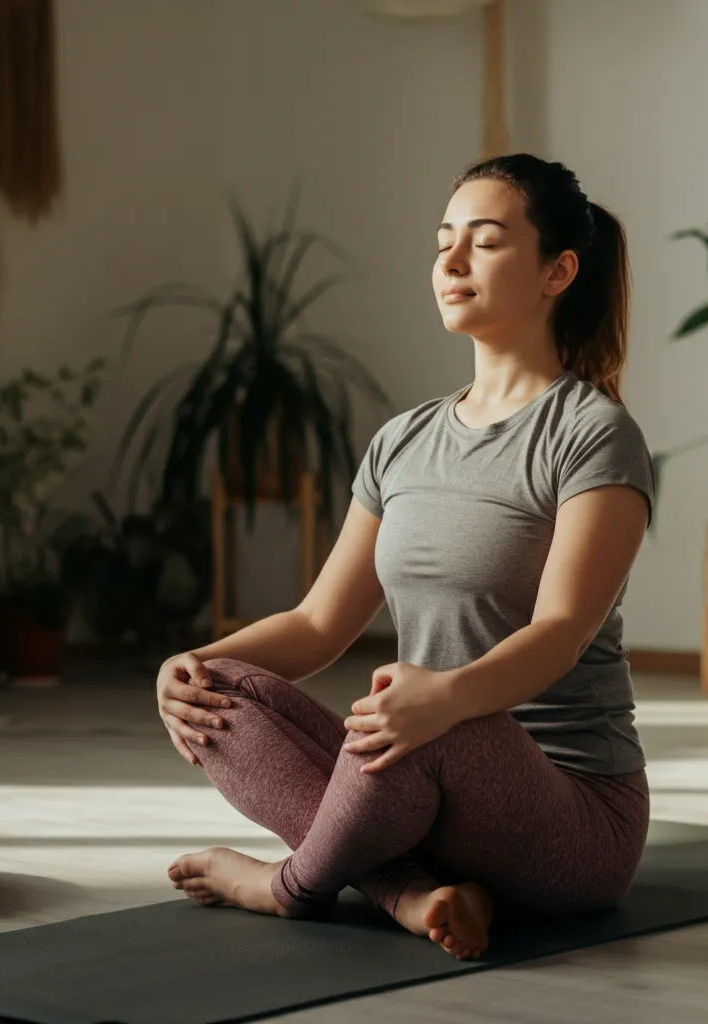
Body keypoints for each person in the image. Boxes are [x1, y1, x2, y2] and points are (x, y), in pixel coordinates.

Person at [160, 153, 655, 962]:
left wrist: (444, 698)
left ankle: (286, 888)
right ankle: (411, 893)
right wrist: (189, 663)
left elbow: (563, 630)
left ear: (556, 271)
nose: (452, 263)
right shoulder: (403, 440)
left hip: (571, 815)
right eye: (443, 241)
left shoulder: (593, 434)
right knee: (218, 693)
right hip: (420, 772)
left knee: (427, 712)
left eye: (485, 242)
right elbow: (319, 623)